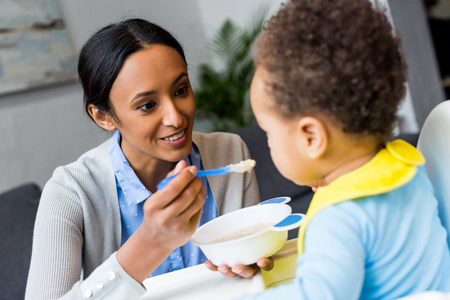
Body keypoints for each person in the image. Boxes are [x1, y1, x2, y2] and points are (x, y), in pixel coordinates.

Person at [25, 18, 266, 300]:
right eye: (148, 105)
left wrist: (254, 263)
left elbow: (255, 264)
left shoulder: (229, 153)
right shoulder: (71, 192)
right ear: (104, 117)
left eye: (180, 91)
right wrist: (149, 243)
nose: (176, 118)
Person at [234, 0, 450, 299]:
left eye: (268, 132)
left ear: (311, 138)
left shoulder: (338, 218)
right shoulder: (406, 165)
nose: (267, 142)